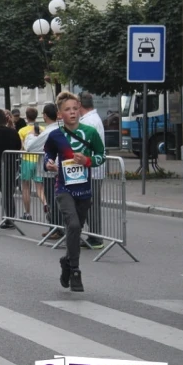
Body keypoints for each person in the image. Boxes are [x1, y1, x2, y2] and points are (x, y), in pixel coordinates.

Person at [44, 92, 106, 292]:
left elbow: (101, 155)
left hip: (84, 189)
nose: (72, 113)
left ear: (79, 109)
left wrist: (87, 161)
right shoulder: (55, 135)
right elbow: (48, 154)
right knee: (73, 223)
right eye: (67, 110)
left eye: (74, 109)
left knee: (76, 229)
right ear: (60, 114)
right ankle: (76, 270)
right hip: (63, 187)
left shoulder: (90, 132)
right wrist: (49, 164)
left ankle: (67, 262)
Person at [26, 104, 62, 239]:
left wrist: (31, 136)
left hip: (49, 170)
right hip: (59, 169)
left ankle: (57, 228)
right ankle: (55, 227)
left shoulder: (48, 132)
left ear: (45, 116)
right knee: (57, 199)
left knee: (53, 200)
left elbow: (30, 147)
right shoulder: (61, 128)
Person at [79, 92, 106, 249]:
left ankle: (96, 237)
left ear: (80, 105)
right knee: (89, 203)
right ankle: (93, 235)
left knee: (91, 204)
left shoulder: (89, 122)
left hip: (91, 170)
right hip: (91, 169)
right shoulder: (91, 119)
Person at [18, 107, 46, 220]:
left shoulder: (22, 131)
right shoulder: (43, 129)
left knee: (25, 187)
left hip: (27, 160)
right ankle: (45, 203)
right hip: (40, 160)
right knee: (40, 188)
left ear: (26, 117)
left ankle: (27, 213)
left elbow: (21, 147)